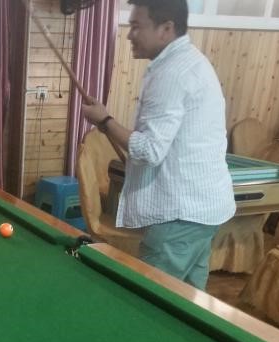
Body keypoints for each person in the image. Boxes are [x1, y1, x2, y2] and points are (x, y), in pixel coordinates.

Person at [81, 0, 235, 290]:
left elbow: (149, 151)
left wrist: (105, 121)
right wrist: (106, 122)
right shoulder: (191, 61)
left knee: (149, 300)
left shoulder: (172, 73)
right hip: (203, 211)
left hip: (180, 215)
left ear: (166, 28)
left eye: (136, 26)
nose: (129, 34)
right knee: (188, 302)